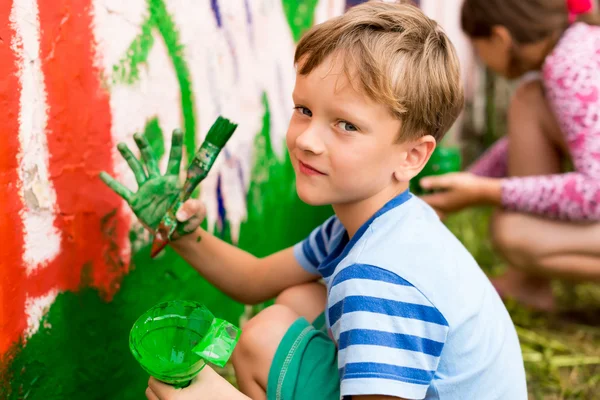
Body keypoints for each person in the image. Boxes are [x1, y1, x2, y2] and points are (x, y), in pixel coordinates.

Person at [102, 1, 527, 399]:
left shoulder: (379, 278)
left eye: (345, 125)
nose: (306, 140)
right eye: (303, 109)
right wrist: (177, 231)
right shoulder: (376, 222)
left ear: (412, 155)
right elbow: (254, 279)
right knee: (297, 302)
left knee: (264, 339)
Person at [420, 0, 600, 312]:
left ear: (500, 38)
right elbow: (526, 139)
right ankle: (526, 286)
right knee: (529, 101)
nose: (480, 59)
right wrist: (468, 181)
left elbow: (594, 193)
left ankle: (525, 283)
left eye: (477, 47)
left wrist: (487, 193)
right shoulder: (580, 46)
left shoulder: (569, 68)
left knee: (513, 232)